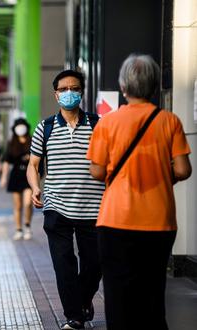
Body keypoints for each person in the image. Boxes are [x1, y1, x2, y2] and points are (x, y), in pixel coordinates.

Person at [87, 54, 192, 330]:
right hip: (159, 221)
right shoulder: (169, 121)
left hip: (115, 222)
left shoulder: (107, 123)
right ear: (155, 85)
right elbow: (183, 170)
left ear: (123, 87)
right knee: (153, 294)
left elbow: (97, 171)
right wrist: (160, 173)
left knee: (118, 295)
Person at [26, 70, 104, 330]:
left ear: (82, 92)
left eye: (74, 88)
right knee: (64, 266)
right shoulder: (45, 127)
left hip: (94, 208)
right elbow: (33, 164)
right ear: (56, 94)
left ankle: (82, 301)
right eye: (64, 89)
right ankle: (74, 316)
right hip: (56, 207)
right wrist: (36, 187)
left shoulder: (99, 124)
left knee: (94, 265)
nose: (69, 92)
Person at [0, 118, 33, 240]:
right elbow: (6, 162)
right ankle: (18, 229)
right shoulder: (12, 143)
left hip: (29, 175)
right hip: (16, 175)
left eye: (22, 126)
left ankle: (27, 225)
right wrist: (4, 177)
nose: (20, 128)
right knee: (17, 205)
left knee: (28, 203)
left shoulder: (32, 140)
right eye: (18, 126)